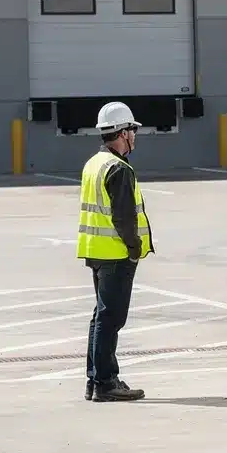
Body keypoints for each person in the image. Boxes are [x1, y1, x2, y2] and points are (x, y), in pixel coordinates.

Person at [76, 102, 154, 402]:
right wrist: (134, 249)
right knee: (111, 319)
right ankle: (106, 382)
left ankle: (95, 381)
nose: (135, 136)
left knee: (101, 317)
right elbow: (124, 218)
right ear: (122, 133)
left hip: (95, 252)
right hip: (115, 254)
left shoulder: (94, 163)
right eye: (132, 130)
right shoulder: (118, 169)